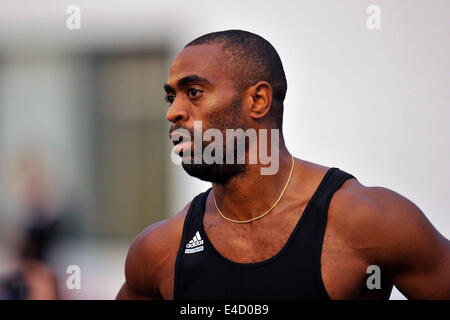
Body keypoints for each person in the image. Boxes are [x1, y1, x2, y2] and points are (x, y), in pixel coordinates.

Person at [116, 30, 450, 300]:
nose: (172, 112)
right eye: (170, 97)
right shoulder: (159, 251)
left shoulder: (370, 221)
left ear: (258, 100)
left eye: (193, 91)